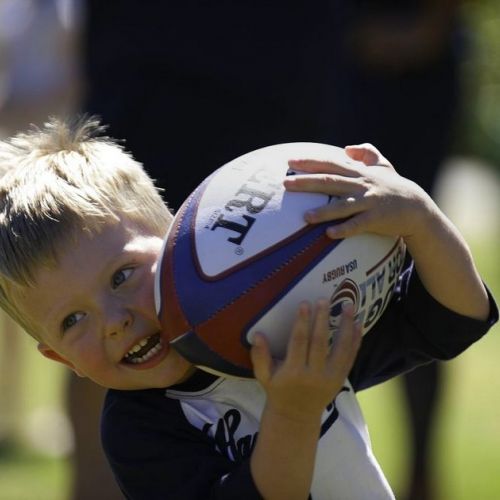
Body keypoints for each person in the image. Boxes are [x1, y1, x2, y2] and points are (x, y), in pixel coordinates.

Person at [0, 116, 496, 499]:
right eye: (72, 320)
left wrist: (418, 217)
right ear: (62, 360)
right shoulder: (139, 430)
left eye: (122, 275)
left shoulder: (278, 323)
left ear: (180, 242)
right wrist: (295, 410)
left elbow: (455, 316)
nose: (113, 321)